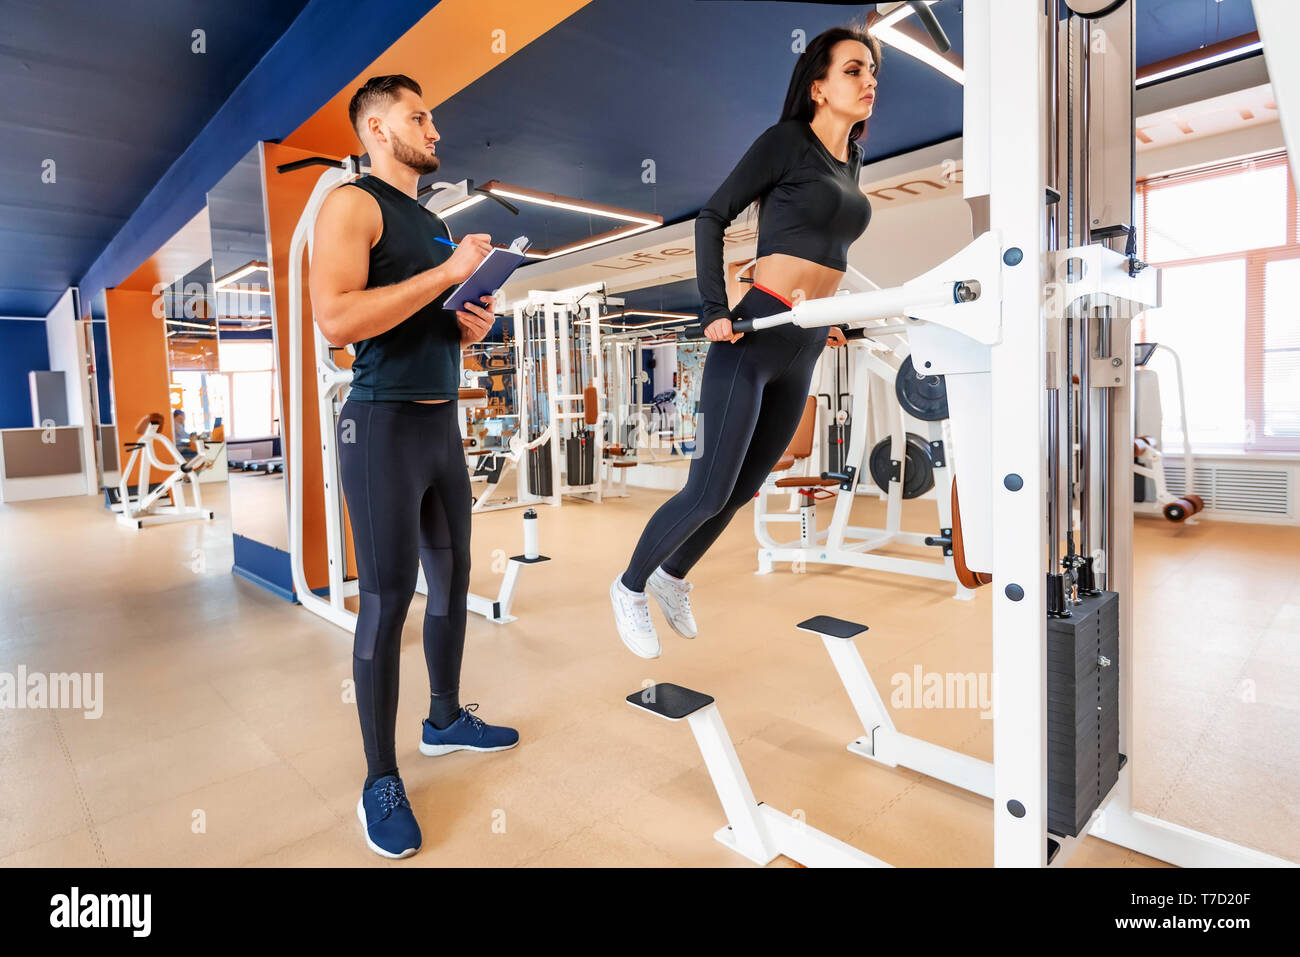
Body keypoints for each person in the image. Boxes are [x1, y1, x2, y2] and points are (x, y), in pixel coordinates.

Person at [610, 25, 880, 658]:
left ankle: (673, 577)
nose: (869, 82)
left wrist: (828, 314)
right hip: (753, 337)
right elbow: (712, 216)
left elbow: (825, 250)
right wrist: (713, 308)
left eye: (872, 73)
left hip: (804, 340)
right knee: (706, 489)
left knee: (746, 484)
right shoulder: (787, 142)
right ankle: (628, 586)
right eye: (854, 71)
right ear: (818, 86)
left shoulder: (854, 160)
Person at [309, 74, 518, 860]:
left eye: (433, 117)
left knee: (454, 578)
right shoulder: (352, 205)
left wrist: (470, 320)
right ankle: (379, 778)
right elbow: (336, 317)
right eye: (418, 117)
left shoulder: (432, 221)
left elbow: (426, 320)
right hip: (381, 426)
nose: (435, 130)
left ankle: (444, 718)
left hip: (441, 423)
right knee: (388, 599)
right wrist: (440, 276)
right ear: (374, 129)